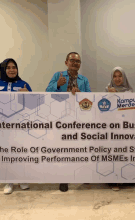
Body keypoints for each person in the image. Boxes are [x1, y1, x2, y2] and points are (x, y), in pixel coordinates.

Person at [46, 52, 91, 192]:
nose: (75, 63)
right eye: (72, 60)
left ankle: (82, 175)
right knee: (63, 149)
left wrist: (80, 94)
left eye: (77, 61)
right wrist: (58, 85)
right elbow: (47, 92)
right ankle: (63, 179)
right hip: (61, 118)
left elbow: (90, 98)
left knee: (79, 147)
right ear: (66, 62)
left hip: (78, 118)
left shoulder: (84, 80)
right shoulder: (57, 76)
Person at [0, 58, 32, 194]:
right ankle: (9, 181)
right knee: (6, 153)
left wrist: (28, 96)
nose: (12, 70)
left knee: (20, 152)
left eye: (14, 67)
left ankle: (22, 178)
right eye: (8, 67)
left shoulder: (23, 84)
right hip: (1, 126)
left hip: (19, 125)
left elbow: (34, 105)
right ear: (3, 69)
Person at [106, 67, 135, 191]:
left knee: (126, 153)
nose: (117, 79)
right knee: (114, 154)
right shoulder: (106, 91)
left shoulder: (130, 92)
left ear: (124, 77)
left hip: (126, 128)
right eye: (114, 76)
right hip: (112, 129)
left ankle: (127, 179)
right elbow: (103, 110)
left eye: (120, 76)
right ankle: (113, 181)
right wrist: (109, 96)